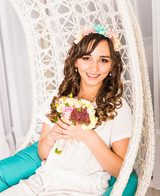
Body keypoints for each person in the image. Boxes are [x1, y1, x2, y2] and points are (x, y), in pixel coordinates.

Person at [1, 24, 133, 196]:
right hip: (42, 180)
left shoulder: (117, 107)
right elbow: (43, 154)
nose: (94, 68)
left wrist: (87, 135)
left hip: (82, 188)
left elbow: (122, 172)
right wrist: (52, 136)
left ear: (111, 66)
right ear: (76, 62)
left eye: (103, 60)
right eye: (86, 58)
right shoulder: (59, 98)